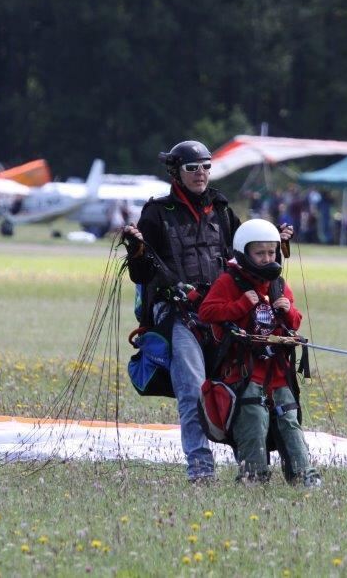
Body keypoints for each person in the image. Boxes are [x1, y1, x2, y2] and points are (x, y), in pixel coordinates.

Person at [124, 140, 291, 484]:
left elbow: (247, 259)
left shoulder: (222, 209)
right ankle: (200, 468)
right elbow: (141, 275)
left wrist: (274, 247)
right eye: (192, 168)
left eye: (206, 167)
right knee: (192, 389)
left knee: (239, 386)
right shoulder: (156, 214)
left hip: (222, 312)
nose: (201, 174)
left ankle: (250, 464)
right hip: (180, 314)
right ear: (176, 172)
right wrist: (137, 252)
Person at [198, 219, 321, 487]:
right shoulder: (229, 282)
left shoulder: (278, 284)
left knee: (289, 419)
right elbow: (207, 312)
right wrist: (241, 304)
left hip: (277, 372)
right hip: (245, 372)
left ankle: (304, 477)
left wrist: (287, 309)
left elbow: (295, 322)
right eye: (260, 253)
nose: (267, 258)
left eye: (271, 252)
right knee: (253, 417)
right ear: (244, 253)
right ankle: (253, 477)